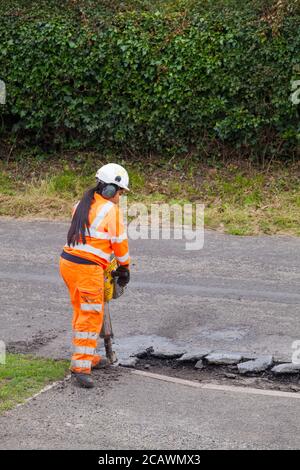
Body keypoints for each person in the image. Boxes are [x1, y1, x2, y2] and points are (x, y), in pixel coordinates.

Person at [60, 163, 130, 388]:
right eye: (120, 192)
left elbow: (92, 239)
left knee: (82, 311)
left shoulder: (81, 204)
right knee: (90, 317)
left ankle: (87, 356)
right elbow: (119, 244)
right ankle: (80, 367)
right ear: (110, 190)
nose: (120, 196)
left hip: (69, 264)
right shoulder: (111, 211)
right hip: (87, 270)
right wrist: (124, 268)